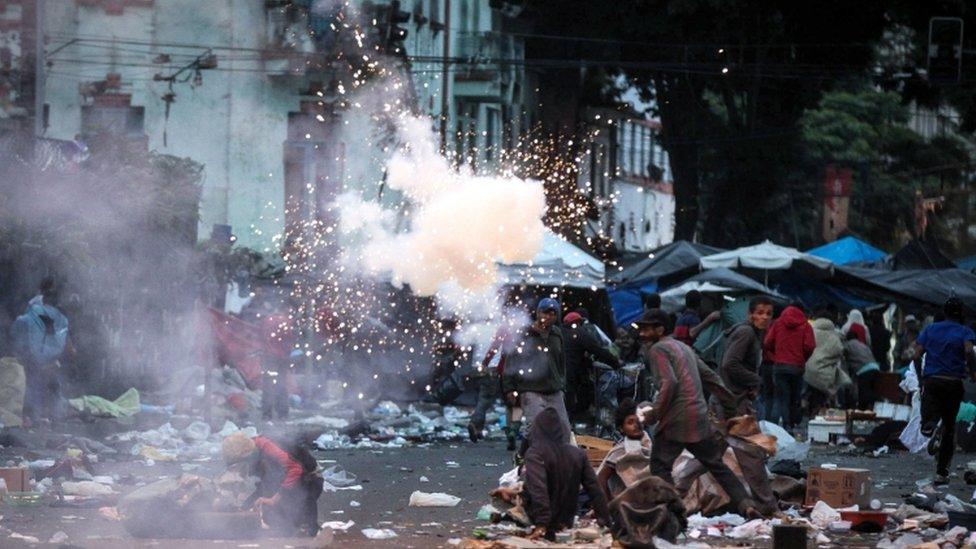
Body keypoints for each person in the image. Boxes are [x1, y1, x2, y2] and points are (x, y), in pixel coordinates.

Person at [635, 309, 760, 519]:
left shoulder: (657, 349)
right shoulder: (684, 347)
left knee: (659, 465)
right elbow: (712, 378)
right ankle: (746, 505)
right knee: (717, 466)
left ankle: (674, 512)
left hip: (676, 418)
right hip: (698, 416)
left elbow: (669, 383)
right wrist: (730, 411)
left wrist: (654, 413)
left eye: (647, 329)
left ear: (660, 329)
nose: (642, 334)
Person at [521, 407, 611, 541]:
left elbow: (539, 489)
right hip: (566, 520)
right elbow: (595, 488)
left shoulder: (535, 454)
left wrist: (542, 523)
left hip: (540, 520)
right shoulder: (577, 454)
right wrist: (604, 519)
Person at [914, 298, 976, 485]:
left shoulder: (930, 329)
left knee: (927, 422)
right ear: (961, 314)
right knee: (950, 429)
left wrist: (920, 378)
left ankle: (932, 428)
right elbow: (969, 351)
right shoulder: (965, 331)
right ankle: (942, 473)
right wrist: (973, 372)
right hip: (953, 383)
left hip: (932, 381)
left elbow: (916, 354)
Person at [222, 431, 324, 536]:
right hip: (290, 483)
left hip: (308, 483)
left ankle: (307, 526)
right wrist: (245, 506)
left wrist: (274, 499)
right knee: (277, 524)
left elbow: (295, 470)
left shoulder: (267, 446)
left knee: (295, 529)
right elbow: (267, 482)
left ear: (244, 454)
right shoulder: (256, 450)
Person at [502, 298, 571, 443]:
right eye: (545, 312)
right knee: (535, 429)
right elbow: (511, 361)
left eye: (553, 313)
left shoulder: (557, 333)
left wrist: (562, 385)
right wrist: (509, 388)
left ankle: (562, 461)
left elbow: (561, 361)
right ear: (538, 313)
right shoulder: (524, 334)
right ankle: (526, 457)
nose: (548, 316)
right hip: (530, 389)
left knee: (564, 429)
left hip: (554, 389)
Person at [9, 277, 71, 423]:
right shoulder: (56, 312)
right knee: (46, 386)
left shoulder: (35, 308)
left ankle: (39, 417)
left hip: (37, 356)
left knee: (37, 385)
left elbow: (20, 328)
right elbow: (60, 334)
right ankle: (51, 417)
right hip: (47, 356)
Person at [717, 296, 774, 418]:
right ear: (750, 314)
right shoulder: (746, 332)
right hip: (730, 399)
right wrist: (756, 380)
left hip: (736, 397)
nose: (765, 317)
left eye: (768, 314)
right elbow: (730, 364)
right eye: (760, 313)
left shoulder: (755, 333)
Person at [763, 303, 815, 430]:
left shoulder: (777, 323)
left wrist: (777, 353)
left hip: (780, 366)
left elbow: (767, 342)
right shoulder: (805, 325)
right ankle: (792, 424)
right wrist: (803, 358)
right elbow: (809, 346)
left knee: (782, 397)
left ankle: (781, 426)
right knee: (795, 397)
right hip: (797, 367)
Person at [562, 311, 619, 417]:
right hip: (570, 374)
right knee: (584, 390)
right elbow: (598, 350)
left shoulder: (559, 332)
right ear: (578, 323)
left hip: (557, 373)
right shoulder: (580, 333)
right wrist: (616, 363)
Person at [596, 399, 651, 501]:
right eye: (630, 422)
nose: (636, 425)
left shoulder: (647, 444)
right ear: (621, 428)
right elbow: (601, 478)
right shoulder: (621, 451)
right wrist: (608, 506)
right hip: (624, 503)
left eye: (638, 421)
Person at [804, 315, 846, 416]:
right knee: (822, 393)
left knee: (812, 390)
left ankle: (810, 409)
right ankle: (819, 412)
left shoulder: (811, 332)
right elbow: (839, 350)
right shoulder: (834, 335)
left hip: (808, 370)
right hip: (824, 370)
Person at [844, 331, 880, 410]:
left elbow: (843, 358)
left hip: (863, 370)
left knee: (863, 394)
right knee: (872, 390)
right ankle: (874, 408)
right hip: (875, 367)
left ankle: (862, 412)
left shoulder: (847, 345)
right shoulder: (863, 345)